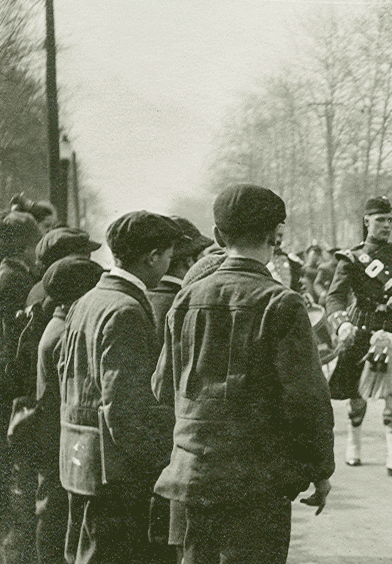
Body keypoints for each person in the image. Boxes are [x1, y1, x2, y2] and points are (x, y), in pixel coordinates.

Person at [153, 184, 334, 564]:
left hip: (192, 475)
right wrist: (319, 469)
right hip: (257, 483)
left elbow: (161, 387)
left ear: (219, 237)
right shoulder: (281, 303)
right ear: (276, 236)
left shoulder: (185, 299)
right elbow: (306, 399)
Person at [59, 211, 183, 564]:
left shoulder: (88, 300)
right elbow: (124, 410)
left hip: (79, 458)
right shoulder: (125, 309)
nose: (169, 265)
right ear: (152, 256)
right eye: (169, 256)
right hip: (114, 475)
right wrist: (160, 464)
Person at [325, 196, 392, 478]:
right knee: (357, 395)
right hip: (362, 330)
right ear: (366, 221)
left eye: (389, 220)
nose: (386, 225)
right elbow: (334, 297)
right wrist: (342, 323)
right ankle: (354, 442)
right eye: (380, 220)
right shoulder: (353, 258)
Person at [34, 256, 103, 564]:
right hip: (59, 439)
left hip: (52, 437)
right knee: (58, 519)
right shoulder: (64, 332)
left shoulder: (58, 323)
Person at [0, 211, 42, 564]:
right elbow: (18, 342)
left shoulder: (8, 275)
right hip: (9, 384)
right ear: (28, 245)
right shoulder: (15, 280)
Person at [146, 216, 213, 344]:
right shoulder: (190, 304)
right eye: (202, 255)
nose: (205, 259)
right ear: (190, 261)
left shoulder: (142, 297)